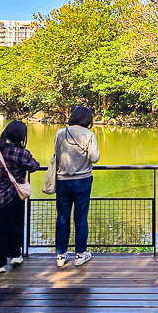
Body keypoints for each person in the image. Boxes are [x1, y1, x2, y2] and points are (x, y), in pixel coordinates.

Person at [0, 120, 39, 274]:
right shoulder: (21, 153)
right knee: (15, 224)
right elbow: (34, 166)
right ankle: (15, 254)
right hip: (13, 194)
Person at [53, 105, 100, 268]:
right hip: (82, 181)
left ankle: (60, 255)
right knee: (80, 218)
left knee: (62, 218)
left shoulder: (60, 132)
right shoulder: (89, 134)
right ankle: (80, 254)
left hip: (62, 180)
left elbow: (56, 154)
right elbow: (94, 158)